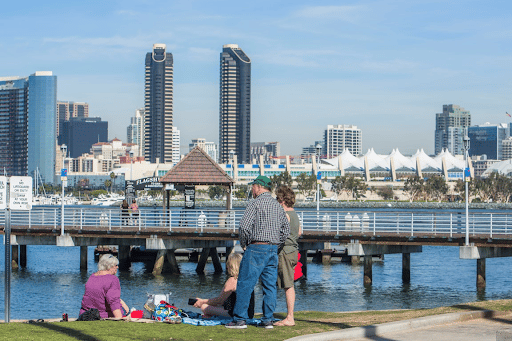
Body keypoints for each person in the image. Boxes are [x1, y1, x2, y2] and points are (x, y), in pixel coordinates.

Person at [225, 175, 290, 329]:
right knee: (269, 286)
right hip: (273, 249)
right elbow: (285, 230)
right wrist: (277, 245)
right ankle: (268, 319)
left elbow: (244, 227)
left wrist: (244, 244)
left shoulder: (254, 204)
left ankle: (240, 319)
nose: (251, 189)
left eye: (253, 186)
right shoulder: (278, 206)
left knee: (245, 284)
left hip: (256, 247)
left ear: (259, 187)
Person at [193, 253, 255, 318]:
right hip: (249, 314)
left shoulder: (233, 280)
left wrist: (202, 302)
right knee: (214, 307)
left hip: (236, 314)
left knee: (204, 307)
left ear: (230, 266)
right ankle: (210, 316)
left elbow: (219, 301)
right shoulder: (247, 279)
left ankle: (210, 316)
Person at [274, 186, 302, 327]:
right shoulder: (295, 214)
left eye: (278, 199)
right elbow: (299, 232)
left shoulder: (284, 214)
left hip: (285, 251)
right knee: (288, 283)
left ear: (282, 200)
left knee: (288, 285)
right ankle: (289, 316)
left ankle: (290, 317)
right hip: (293, 251)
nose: (277, 201)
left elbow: (279, 234)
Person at [79, 254, 129, 319]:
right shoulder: (113, 279)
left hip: (85, 314)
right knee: (130, 312)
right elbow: (113, 302)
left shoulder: (92, 277)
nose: (117, 267)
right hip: (102, 316)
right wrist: (119, 318)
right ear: (109, 266)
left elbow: (101, 295)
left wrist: (123, 303)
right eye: (116, 265)